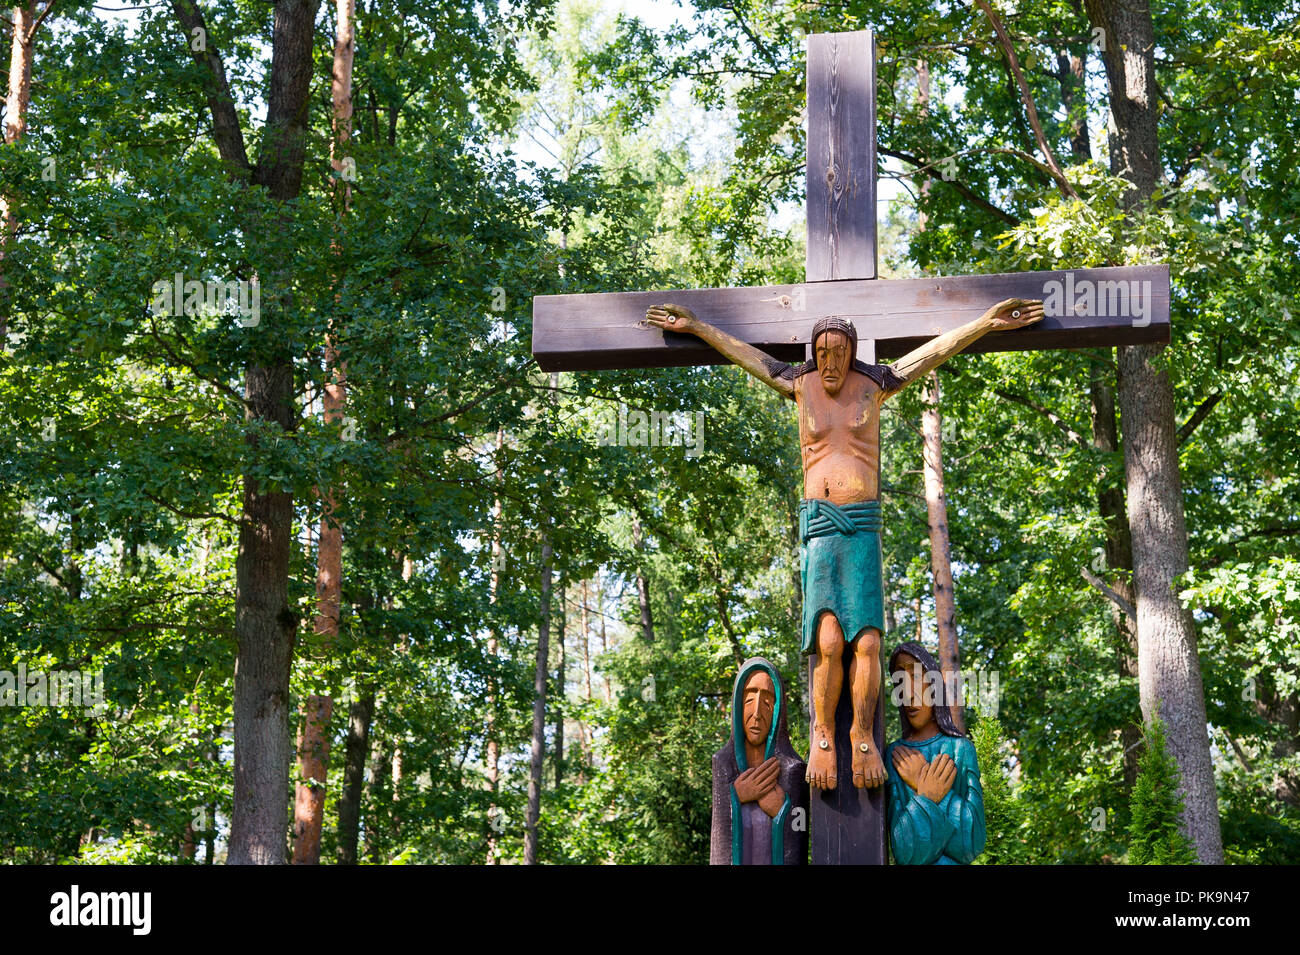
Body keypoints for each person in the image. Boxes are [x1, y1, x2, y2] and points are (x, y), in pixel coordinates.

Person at [645, 297, 1043, 791]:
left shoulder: (874, 385)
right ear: (813, 352)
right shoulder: (799, 383)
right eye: (823, 352)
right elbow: (748, 355)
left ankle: (860, 734)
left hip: (862, 525)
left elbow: (931, 353)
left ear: (852, 352)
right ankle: (822, 734)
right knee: (828, 641)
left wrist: (984, 323)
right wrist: (699, 326)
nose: (831, 362)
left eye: (840, 352)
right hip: (820, 527)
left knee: (869, 642)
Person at [884, 641, 986, 864]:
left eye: (916, 677)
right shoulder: (895, 755)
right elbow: (904, 852)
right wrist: (929, 796)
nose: (908, 694)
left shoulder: (961, 750)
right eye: (899, 681)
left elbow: (972, 844)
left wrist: (929, 790)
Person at [710, 658, 808, 864]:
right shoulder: (723, 765)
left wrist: (781, 812)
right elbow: (719, 840)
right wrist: (736, 797)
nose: (756, 714)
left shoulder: (793, 771)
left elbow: (800, 835)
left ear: (777, 710)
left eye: (766, 703)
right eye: (748, 701)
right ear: (737, 706)